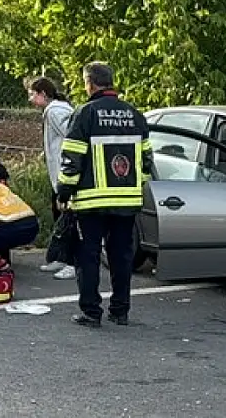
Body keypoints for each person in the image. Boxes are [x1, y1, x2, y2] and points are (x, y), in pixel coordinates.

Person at [58, 61, 153, 328]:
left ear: (90, 83)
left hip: (91, 202)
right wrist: (135, 188)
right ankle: (120, 311)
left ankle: (91, 312)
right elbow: (146, 161)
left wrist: (64, 191)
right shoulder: (135, 114)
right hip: (127, 202)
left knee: (87, 256)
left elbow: (71, 159)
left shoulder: (85, 113)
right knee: (121, 257)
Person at [27, 77, 77, 280]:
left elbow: (71, 136)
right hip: (58, 174)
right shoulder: (54, 111)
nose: (30, 99)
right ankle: (61, 257)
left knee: (69, 219)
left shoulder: (55, 111)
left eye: (32, 94)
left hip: (65, 174)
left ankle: (73, 261)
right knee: (60, 217)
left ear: (43, 94)